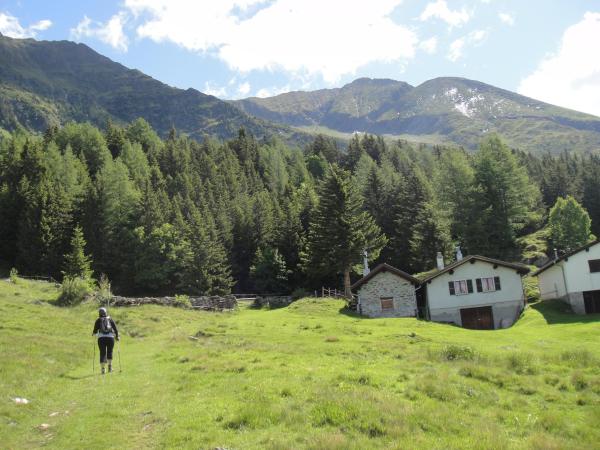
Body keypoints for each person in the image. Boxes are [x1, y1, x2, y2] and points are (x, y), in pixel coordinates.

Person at [92, 307, 119, 374]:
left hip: (101, 338)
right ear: (106, 312)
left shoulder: (98, 320)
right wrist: (117, 336)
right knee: (110, 352)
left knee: (102, 353)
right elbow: (115, 328)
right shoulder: (110, 319)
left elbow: (95, 330)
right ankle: (110, 367)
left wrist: (94, 333)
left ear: (99, 313)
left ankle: (103, 369)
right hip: (110, 338)